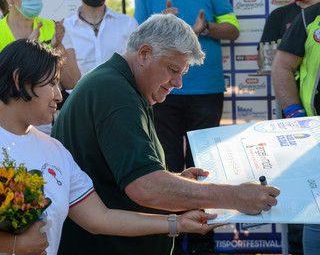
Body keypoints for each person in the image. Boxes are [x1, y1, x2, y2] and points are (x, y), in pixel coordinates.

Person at [52, 14, 280, 255]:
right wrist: (235, 196)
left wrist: (177, 181)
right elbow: (145, 187)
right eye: (173, 69)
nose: (179, 82)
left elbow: (130, 175)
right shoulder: (115, 92)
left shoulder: (120, 85)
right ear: (144, 54)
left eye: (183, 72)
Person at [0, 38, 219, 255]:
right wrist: (11, 245)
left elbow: (100, 218)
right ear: (19, 81)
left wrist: (177, 223)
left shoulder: (55, 151)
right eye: (50, 83)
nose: (59, 95)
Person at [134, 0, 240, 253]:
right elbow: (138, 41)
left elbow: (232, 27)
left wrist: (205, 28)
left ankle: (203, 242)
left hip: (206, 88)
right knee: (167, 167)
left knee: (203, 168)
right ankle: (171, 238)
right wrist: (162, 26)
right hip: (160, 91)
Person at [261, 0, 320, 255]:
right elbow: (272, 64)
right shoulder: (293, 18)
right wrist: (294, 112)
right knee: (308, 211)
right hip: (304, 130)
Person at [0, 0, 81, 134]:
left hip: (47, 127)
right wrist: (26, 54)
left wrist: (58, 48)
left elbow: (72, 82)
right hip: (6, 127)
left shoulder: (53, 27)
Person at [61, 0, 138, 80]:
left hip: (118, 95)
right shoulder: (65, 28)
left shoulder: (128, 24)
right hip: (79, 97)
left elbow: (138, 66)